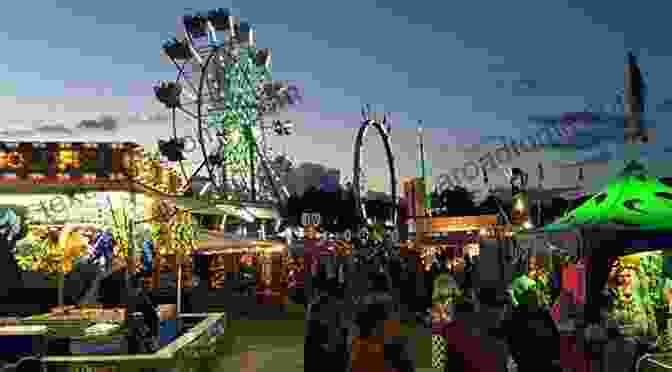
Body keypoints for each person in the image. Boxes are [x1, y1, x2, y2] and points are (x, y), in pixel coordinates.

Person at [442, 285, 512, 372]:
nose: (498, 312)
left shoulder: (503, 333)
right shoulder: (460, 331)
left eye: (501, 306)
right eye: (493, 306)